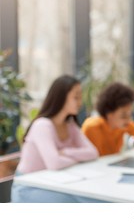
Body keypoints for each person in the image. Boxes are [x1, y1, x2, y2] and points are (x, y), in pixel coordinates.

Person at [11, 75, 102, 203]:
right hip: (28, 187)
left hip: (54, 182)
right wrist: (76, 158)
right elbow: (54, 163)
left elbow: (93, 153)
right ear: (61, 97)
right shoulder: (42, 125)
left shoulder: (70, 125)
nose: (80, 102)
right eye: (76, 97)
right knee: (81, 203)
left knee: (94, 199)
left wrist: (65, 153)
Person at [81, 82, 134, 156]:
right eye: (124, 115)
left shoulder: (126, 124)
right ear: (109, 113)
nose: (128, 119)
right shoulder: (92, 127)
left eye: (130, 114)